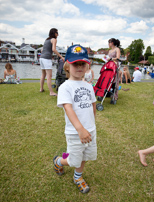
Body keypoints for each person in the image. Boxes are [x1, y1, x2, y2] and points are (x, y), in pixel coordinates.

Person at [53, 44, 97, 194]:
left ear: (87, 66)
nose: (79, 67)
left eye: (82, 64)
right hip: (75, 132)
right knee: (73, 160)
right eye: (75, 64)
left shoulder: (89, 86)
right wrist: (80, 129)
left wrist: (92, 124)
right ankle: (59, 160)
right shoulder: (65, 87)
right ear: (67, 66)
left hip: (90, 129)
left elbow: (93, 105)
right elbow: (68, 108)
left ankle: (78, 177)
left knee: (85, 156)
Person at [40, 28, 65, 96]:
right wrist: (61, 56)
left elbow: (42, 50)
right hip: (46, 59)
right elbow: (53, 49)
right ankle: (51, 92)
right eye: (57, 33)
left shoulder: (46, 40)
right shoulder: (54, 40)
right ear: (54, 33)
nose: (58, 34)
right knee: (49, 76)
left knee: (43, 74)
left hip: (41, 58)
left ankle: (41, 89)